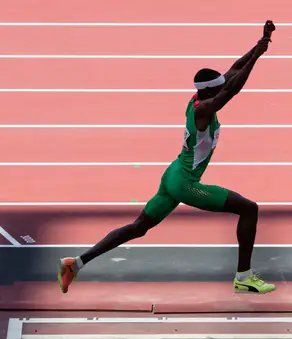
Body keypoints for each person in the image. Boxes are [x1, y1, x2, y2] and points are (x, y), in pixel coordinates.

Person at [57, 20, 278, 295]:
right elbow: (232, 88)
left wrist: (260, 44)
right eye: (218, 87)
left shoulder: (198, 98)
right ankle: (243, 276)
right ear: (209, 91)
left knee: (139, 227)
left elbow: (232, 72)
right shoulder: (204, 110)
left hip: (173, 173)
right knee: (249, 209)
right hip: (185, 183)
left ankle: (75, 264)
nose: (223, 84)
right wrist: (257, 56)